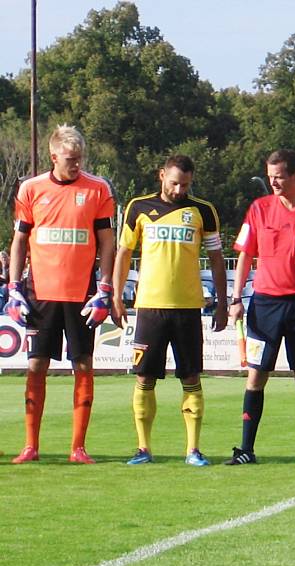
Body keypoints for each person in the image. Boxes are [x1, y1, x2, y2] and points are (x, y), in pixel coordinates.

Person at [6, 124, 115, 464]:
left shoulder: (98, 189)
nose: (76, 164)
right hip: (41, 293)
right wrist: (13, 287)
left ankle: (78, 447)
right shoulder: (31, 189)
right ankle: (30, 446)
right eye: (70, 159)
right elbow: (20, 241)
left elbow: (108, 242)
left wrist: (105, 287)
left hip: (81, 293)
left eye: (80, 158)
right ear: (53, 156)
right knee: (37, 364)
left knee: (83, 363)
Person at [111, 155, 227, 466]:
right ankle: (143, 448)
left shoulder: (204, 211)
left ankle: (193, 450)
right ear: (161, 175)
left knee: (190, 377)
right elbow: (124, 253)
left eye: (185, 184)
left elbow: (216, 258)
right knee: (144, 378)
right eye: (174, 182)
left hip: (188, 308)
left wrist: (223, 301)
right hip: (149, 307)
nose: (179, 189)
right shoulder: (138, 207)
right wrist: (116, 296)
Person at [225, 149, 295, 467]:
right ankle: (246, 449)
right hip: (264, 305)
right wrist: (236, 298)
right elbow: (245, 255)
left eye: (279, 176)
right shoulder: (258, 209)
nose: (273, 181)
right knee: (256, 375)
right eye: (270, 175)